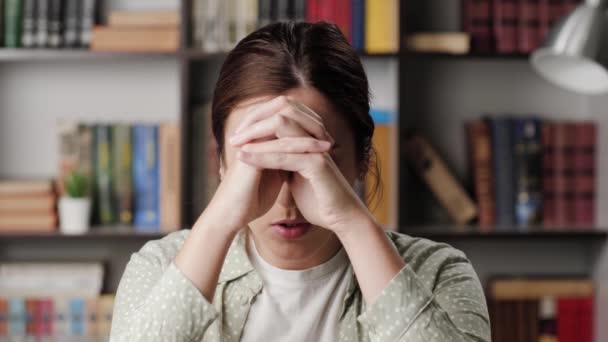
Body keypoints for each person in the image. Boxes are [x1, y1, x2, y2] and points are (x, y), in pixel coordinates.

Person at [110, 21, 490, 342]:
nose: (287, 198)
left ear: (362, 158)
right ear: (221, 161)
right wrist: (219, 220)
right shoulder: (160, 266)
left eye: (311, 158)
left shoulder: (437, 271)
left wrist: (353, 222)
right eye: (261, 156)